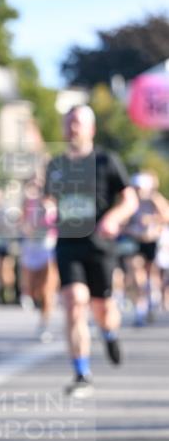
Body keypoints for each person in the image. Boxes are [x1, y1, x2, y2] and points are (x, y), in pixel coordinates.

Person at [44, 105, 138, 397]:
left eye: (78, 123)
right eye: (69, 122)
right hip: (68, 243)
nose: (73, 128)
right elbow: (48, 199)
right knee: (74, 302)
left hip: (100, 245)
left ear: (91, 129)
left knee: (104, 310)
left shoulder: (106, 161)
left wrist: (113, 218)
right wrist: (45, 209)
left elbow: (130, 200)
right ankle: (81, 373)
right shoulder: (56, 165)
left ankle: (109, 333)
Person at [122, 172, 169, 325]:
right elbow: (122, 221)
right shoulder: (129, 201)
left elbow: (166, 216)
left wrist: (151, 220)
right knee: (136, 272)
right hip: (135, 241)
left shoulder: (154, 199)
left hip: (153, 241)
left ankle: (151, 301)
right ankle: (140, 309)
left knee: (152, 274)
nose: (138, 191)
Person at [19, 173, 58, 342]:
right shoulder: (27, 201)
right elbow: (22, 223)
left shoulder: (53, 201)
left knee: (47, 288)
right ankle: (28, 296)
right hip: (31, 245)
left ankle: (45, 324)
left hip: (48, 245)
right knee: (33, 288)